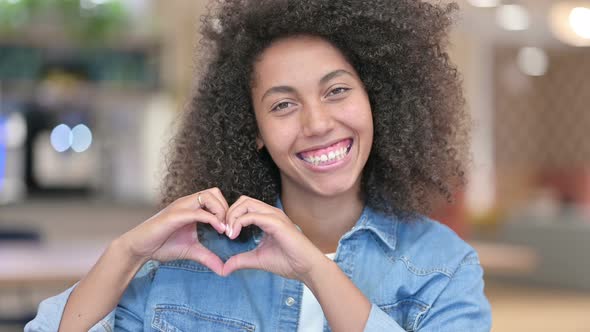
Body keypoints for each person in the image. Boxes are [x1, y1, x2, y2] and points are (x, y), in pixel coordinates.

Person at [26, 0, 492, 331]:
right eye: (284, 105)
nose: (317, 123)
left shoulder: (443, 267)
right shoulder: (197, 259)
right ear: (253, 130)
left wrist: (313, 267)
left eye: (337, 91)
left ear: (377, 98)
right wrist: (128, 252)